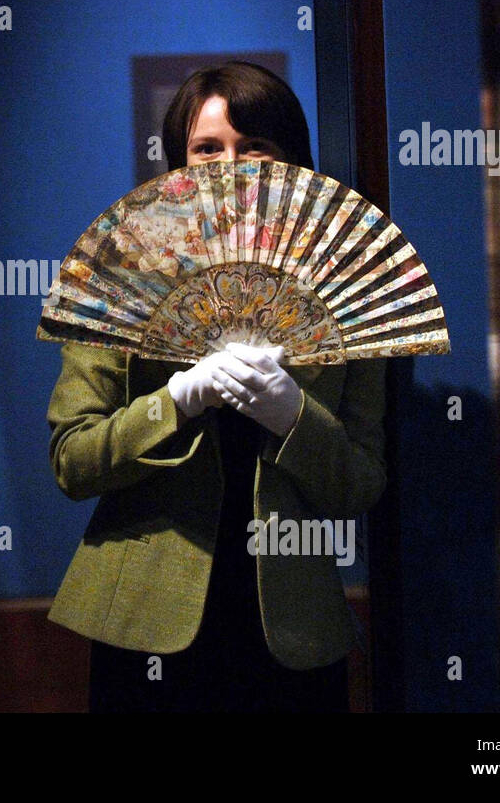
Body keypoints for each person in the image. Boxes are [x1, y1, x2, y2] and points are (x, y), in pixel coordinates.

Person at [45, 61, 388, 712]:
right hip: (147, 619)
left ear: (291, 160)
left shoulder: (347, 285)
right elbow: (73, 460)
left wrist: (295, 417)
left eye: (254, 145)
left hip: (291, 624)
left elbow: (361, 484)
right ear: (179, 164)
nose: (231, 166)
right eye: (208, 148)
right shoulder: (120, 271)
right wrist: (178, 398)